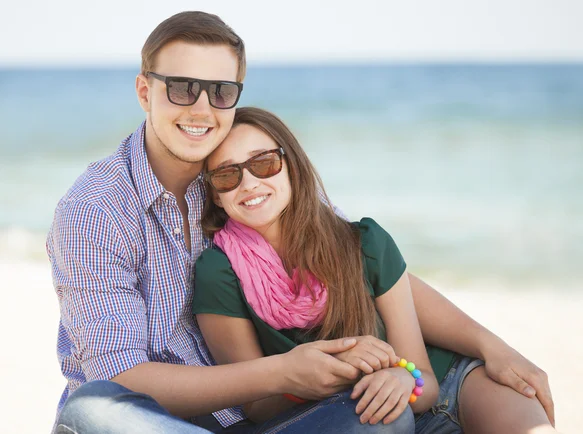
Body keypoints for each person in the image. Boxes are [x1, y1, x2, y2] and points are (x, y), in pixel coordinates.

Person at [47, 10, 555, 434]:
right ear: (144, 91)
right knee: (95, 410)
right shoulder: (96, 211)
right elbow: (121, 378)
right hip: (163, 421)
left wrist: (492, 345)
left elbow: (361, 257)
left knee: (383, 417)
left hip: (260, 417)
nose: (201, 108)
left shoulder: (238, 178)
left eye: (220, 91)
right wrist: (282, 372)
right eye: (181, 87)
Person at [193, 107, 558, 434]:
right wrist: (333, 371)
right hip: (361, 419)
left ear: (292, 165)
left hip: (450, 386)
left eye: (264, 163)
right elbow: (256, 406)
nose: (249, 183)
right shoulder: (219, 272)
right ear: (215, 196)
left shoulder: (365, 242)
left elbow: (424, 380)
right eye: (227, 175)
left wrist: (404, 377)